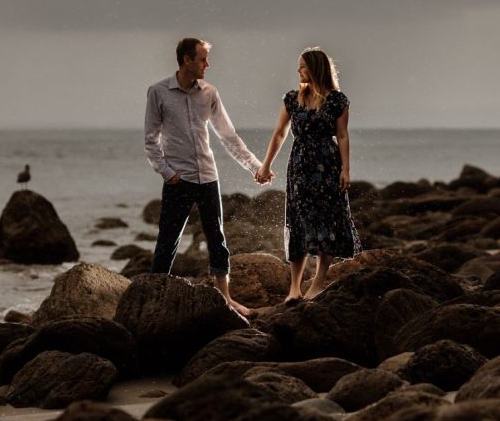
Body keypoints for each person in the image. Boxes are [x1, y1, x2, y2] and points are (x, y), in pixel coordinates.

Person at [144, 37, 263, 317]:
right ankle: (154, 300)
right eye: (202, 59)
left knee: (217, 239)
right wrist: (168, 173)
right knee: (168, 241)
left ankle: (226, 301)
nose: (207, 65)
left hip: (208, 177)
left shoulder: (209, 93)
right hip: (178, 180)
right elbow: (150, 141)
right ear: (186, 60)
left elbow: (228, 136)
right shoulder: (158, 92)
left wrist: (255, 167)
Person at [255, 47, 362, 302]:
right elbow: (280, 133)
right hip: (300, 167)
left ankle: (317, 284)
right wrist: (266, 164)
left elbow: (343, 135)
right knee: (299, 221)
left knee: (329, 221)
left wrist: (346, 170)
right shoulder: (292, 99)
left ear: (315, 68)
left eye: (302, 66)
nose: (298, 70)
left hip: (328, 165)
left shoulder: (337, 100)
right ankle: (294, 288)